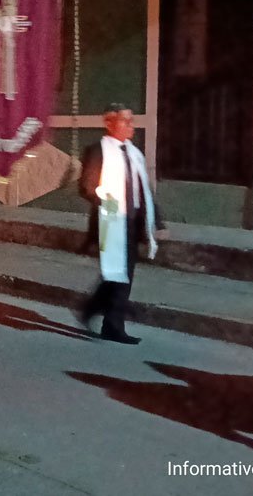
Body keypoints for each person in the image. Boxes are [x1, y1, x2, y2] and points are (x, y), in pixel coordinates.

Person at [76, 103, 167, 345]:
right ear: (109, 123)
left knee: (119, 273)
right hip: (113, 220)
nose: (131, 126)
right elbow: (86, 186)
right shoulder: (98, 151)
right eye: (125, 121)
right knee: (120, 274)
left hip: (134, 221)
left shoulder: (134, 154)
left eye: (132, 121)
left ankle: (92, 310)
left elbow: (144, 190)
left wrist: (156, 220)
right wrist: (108, 201)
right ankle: (112, 326)